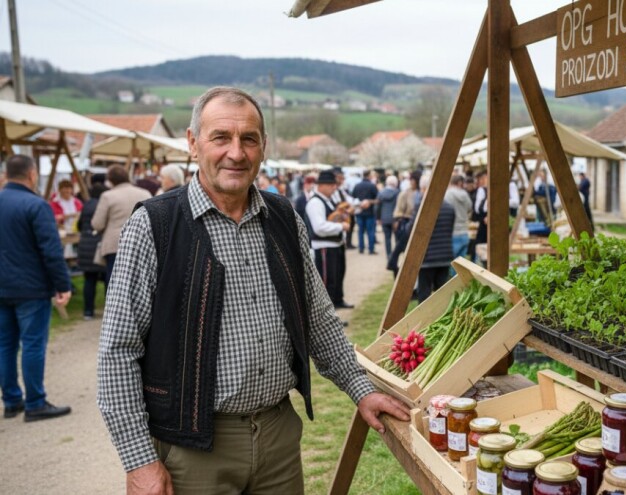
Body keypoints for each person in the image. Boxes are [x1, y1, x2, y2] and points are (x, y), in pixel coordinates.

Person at [96, 87, 408, 494]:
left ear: (263, 146)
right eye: (220, 137)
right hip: (193, 450)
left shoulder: (283, 218)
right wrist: (140, 461)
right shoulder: (154, 225)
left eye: (249, 139)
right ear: (193, 143)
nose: (236, 153)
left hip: (278, 437)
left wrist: (360, 389)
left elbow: (317, 318)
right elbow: (119, 351)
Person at [0, 154, 73, 422]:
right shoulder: (36, 205)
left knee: (5, 345)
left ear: (7, 174)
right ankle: (35, 403)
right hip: (31, 286)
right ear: (32, 175)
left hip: (2, 286)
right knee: (32, 344)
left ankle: (11, 400)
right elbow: (51, 250)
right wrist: (62, 285)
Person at [91, 165, 152, 284]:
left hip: (115, 243)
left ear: (110, 180)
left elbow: (97, 224)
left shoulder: (108, 196)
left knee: (115, 282)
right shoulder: (145, 193)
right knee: (139, 281)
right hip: (141, 241)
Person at [306, 170, 354, 310]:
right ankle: (327, 314)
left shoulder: (328, 200)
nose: (334, 187)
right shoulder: (315, 202)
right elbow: (319, 227)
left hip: (334, 245)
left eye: (334, 184)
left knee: (337, 277)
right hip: (324, 247)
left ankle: (337, 303)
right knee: (327, 282)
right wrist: (341, 226)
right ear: (321, 185)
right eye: (331, 184)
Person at [416, 176, 455, 302]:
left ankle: (423, 321)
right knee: (442, 296)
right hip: (445, 255)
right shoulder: (449, 208)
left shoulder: (421, 207)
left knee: (424, 294)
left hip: (427, 256)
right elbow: (449, 231)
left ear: (424, 189)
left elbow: (410, 230)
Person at [76, 180, 108, 320]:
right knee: (108, 278)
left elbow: (79, 224)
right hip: (100, 245)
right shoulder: (104, 204)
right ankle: (108, 311)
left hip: (85, 245)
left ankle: (88, 311)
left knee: (89, 280)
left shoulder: (86, 205)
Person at [50, 179, 84, 259]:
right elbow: (53, 218)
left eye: (69, 188)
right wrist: (67, 216)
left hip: (75, 229)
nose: (67, 190)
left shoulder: (77, 202)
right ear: (60, 190)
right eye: (65, 188)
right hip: (62, 229)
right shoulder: (54, 203)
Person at [444, 175, 472, 263]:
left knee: (452, 263)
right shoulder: (465, 194)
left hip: (453, 232)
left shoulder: (447, 194)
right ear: (460, 183)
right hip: (464, 231)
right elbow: (470, 208)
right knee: (461, 265)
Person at [352, 171, 379, 255]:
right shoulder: (372, 186)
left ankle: (361, 248)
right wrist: (369, 202)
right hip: (369, 212)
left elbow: (353, 197)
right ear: (369, 176)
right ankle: (371, 249)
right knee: (370, 231)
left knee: (360, 231)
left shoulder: (357, 185)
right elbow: (378, 199)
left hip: (359, 212)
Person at [375, 175, 399, 259]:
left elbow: (378, 206)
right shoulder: (398, 192)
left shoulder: (381, 193)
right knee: (397, 238)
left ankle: (389, 255)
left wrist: (378, 218)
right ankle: (396, 256)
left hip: (384, 218)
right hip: (395, 219)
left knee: (387, 238)